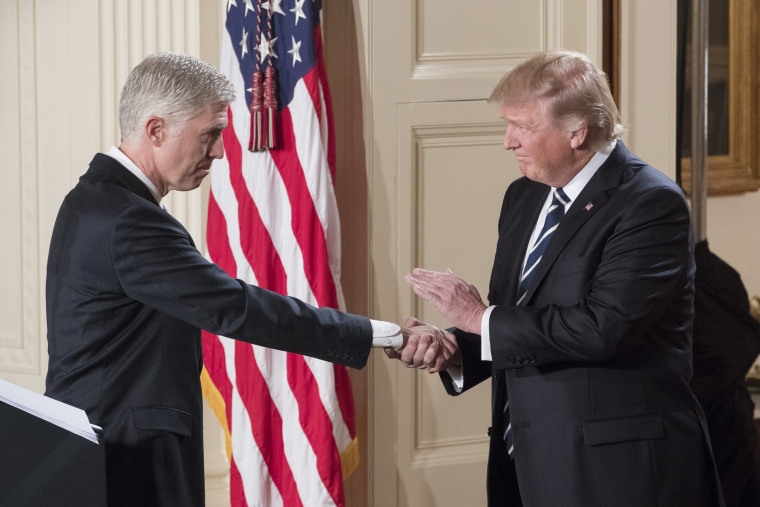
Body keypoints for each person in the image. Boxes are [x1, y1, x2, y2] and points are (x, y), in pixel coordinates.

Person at [44, 52, 447, 506]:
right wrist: (380, 334)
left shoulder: (91, 199)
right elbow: (238, 308)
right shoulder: (129, 221)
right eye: (210, 134)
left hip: (95, 444)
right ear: (155, 129)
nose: (219, 150)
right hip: (125, 458)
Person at [387, 50, 725, 506]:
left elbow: (602, 329)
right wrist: (455, 347)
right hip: (529, 462)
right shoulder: (524, 196)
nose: (508, 141)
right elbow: (523, 321)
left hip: (619, 474)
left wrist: (478, 318)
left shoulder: (649, 204)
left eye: (523, 127)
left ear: (577, 133)